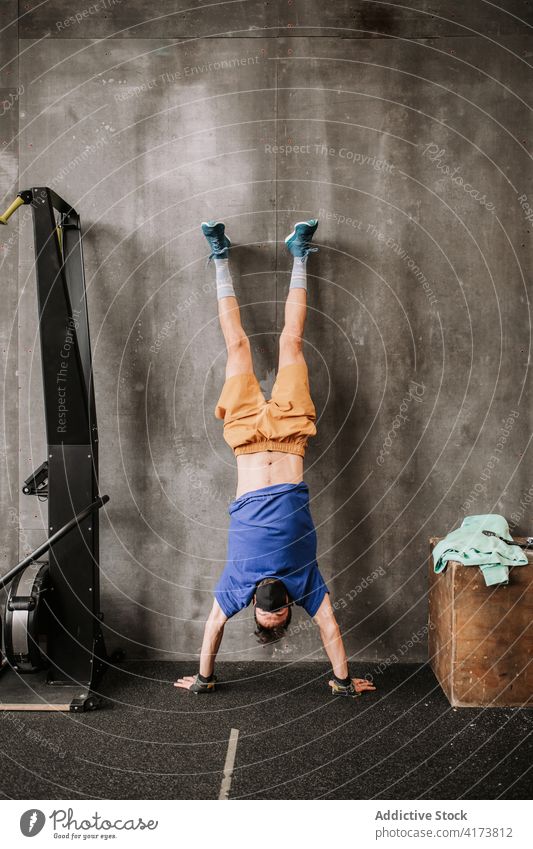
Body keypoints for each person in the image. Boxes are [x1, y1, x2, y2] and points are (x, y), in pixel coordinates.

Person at [175, 219, 376, 699]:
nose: (270, 606)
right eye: (277, 613)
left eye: (263, 614)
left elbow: (213, 629)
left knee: (238, 346)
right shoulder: (305, 584)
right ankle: (300, 253)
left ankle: (220, 256)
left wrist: (204, 678)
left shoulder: (235, 587)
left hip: (245, 438)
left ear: (254, 612)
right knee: (290, 342)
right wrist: (344, 681)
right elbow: (329, 627)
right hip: (290, 436)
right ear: (288, 611)